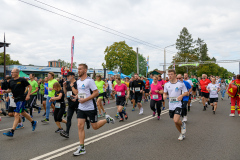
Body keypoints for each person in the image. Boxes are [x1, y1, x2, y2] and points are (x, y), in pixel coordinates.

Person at [73, 64, 115, 156]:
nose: (78, 71)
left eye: (80, 69)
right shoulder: (78, 81)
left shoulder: (90, 81)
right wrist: (76, 97)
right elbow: (81, 93)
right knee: (80, 126)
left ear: (85, 70)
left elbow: (96, 93)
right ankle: (82, 147)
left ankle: (107, 119)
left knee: (95, 127)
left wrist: (85, 100)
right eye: (78, 69)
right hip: (81, 107)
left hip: (90, 107)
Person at [2, 68, 37, 137]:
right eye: (11, 72)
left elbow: (29, 87)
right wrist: (6, 91)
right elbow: (10, 89)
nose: (11, 73)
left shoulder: (22, 80)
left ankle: (12, 131)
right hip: (15, 99)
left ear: (17, 73)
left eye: (13, 72)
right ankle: (33, 122)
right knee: (23, 112)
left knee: (16, 114)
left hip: (21, 99)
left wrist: (28, 95)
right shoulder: (11, 80)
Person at [163, 69, 188, 141]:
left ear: (175, 75)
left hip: (178, 104)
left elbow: (186, 92)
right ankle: (181, 134)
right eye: (169, 74)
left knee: (176, 120)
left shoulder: (180, 84)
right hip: (171, 105)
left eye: (171, 74)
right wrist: (164, 96)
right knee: (175, 122)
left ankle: (183, 124)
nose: (169, 76)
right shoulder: (166, 84)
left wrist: (182, 95)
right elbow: (165, 93)